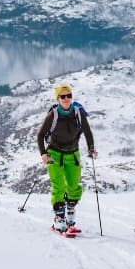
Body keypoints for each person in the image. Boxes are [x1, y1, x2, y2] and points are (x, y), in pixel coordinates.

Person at [37, 83, 96, 233]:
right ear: (58, 98)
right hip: (54, 154)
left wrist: (91, 148)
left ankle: (70, 213)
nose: (66, 99)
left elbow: (88, 132)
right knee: (59, 186)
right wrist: (43, 153)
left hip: (73, 154)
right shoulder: (54, 114)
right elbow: (40, 135)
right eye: (62, 96)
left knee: (73, 186)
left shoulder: (78, 112)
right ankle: (59, 218)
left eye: (68, 95)